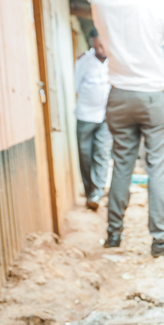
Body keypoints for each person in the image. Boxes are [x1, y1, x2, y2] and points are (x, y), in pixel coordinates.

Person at [91, 0, 164, 257]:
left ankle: (113, 235)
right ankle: (161, 239)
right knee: (156, 167)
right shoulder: (155, 4)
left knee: (121, 164)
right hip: (153, 97)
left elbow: (110, 43)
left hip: (119, 94)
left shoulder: (99, 4)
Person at [74, 28, 112, 211]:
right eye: (96, 46)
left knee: (102, 153)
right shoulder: (84, 61)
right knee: (85, 155)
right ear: (91, 44)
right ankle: (90, 191)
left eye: (102, 45)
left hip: (106, 115)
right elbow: (76, 86)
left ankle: (97, 192)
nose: (100, 49)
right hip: (85, 115)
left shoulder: (114, 59)